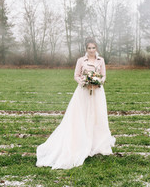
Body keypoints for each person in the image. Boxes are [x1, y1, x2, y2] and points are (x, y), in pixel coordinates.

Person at [36, 37, 116, 169]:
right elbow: (76, 75)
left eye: (93, 48)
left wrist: (98, 82)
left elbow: (104, 75)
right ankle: (81, 141)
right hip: (83, 92)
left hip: (97, 92)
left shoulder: (101, 60)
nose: (91, 50)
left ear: (96, 49)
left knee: (97, 116)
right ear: (86, 49)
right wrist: (84, 82)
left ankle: (97, 143)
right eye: (89, 48)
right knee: (81, 116)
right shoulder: (80, 60)